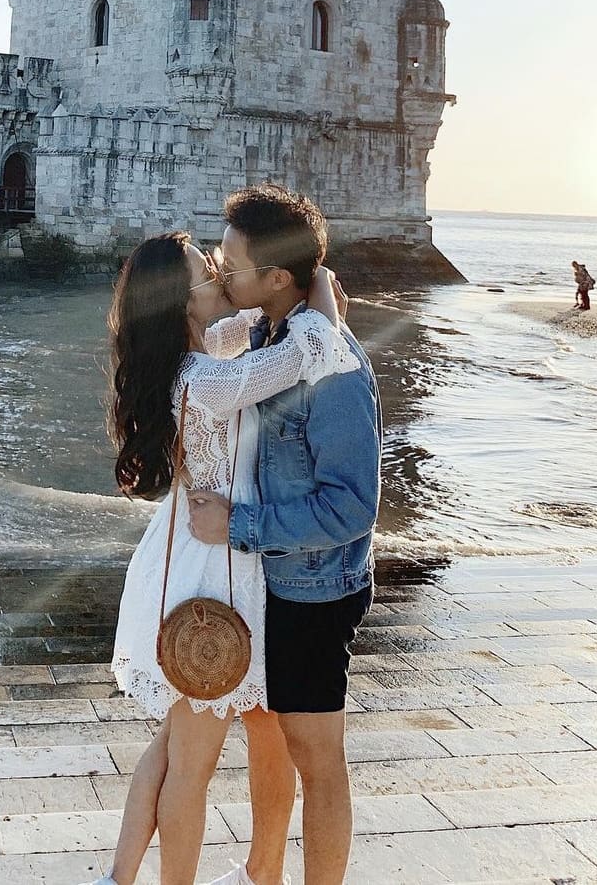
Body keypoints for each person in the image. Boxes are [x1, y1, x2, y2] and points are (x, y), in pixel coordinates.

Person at [88, 231, 357, 885]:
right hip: (219, 580)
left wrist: (280, 289)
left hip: (216, 562)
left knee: (186, 744)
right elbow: (306, 354)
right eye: (206, 270)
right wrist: (317, 289)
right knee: (193, 760)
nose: (217, 270)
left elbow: (253, 327)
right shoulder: (204, 378)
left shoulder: (197, 356)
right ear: (185, 303)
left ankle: (145, 876)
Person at [187, 186, 382, 885]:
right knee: (270, 742)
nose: (221, 269)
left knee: (316, 756)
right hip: (272, 580)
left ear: (275, 277)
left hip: (313, 591)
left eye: (232, 261)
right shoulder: (279, 337)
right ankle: (260, 873)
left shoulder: (333, 365)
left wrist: (236, 525)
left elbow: (353, 506)